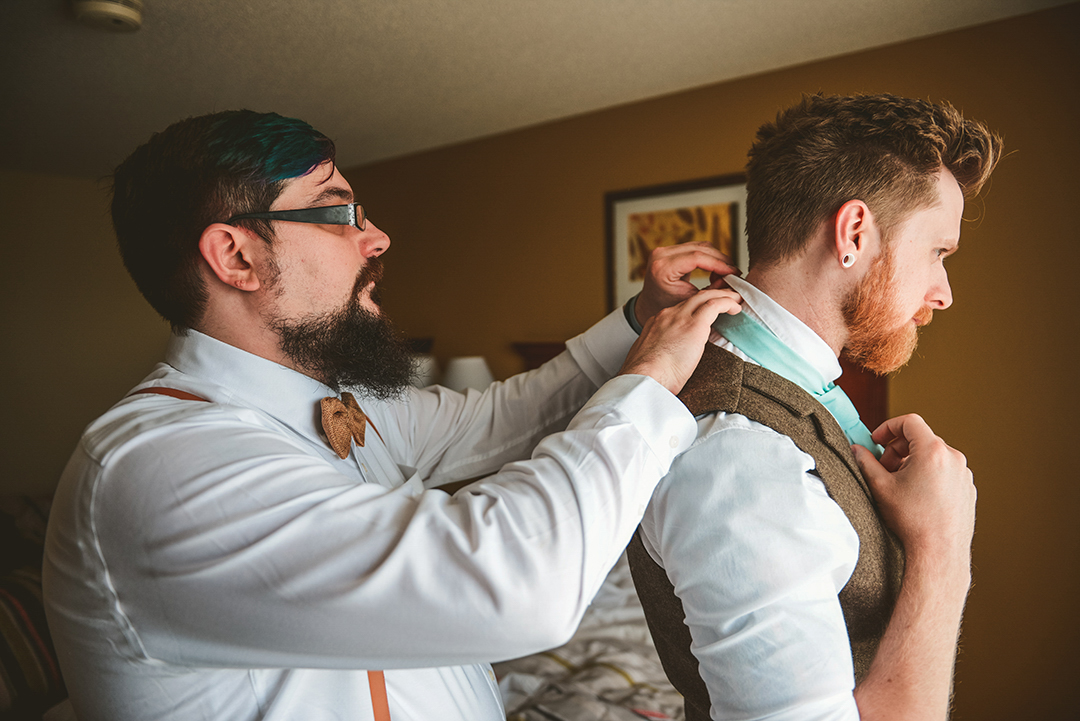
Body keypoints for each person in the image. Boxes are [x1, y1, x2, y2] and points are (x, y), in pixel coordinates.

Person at [42, 109, 744, 721]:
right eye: (340, 211)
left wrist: (640, 320)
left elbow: (502, 416)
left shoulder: (340, 399)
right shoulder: (161, 467)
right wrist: (650, 379)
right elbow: (516, 585)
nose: (376, 238)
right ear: (237, 256)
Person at [626, 93, 1003, 721]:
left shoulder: (786, 371)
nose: (945, 294)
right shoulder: (741, 455)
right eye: (938, 252)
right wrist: (943, 545)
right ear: (853, 233)